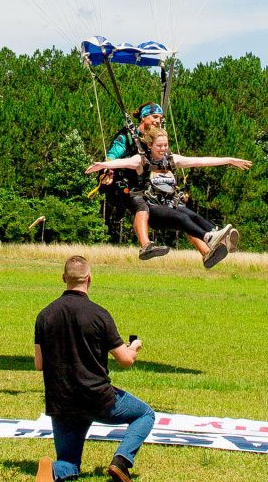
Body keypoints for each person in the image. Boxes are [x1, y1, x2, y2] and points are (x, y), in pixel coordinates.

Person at [34, 255, 155, 482]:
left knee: (69, 463)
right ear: (90, 278)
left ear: (63, 278)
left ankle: (52, 472)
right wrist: (134, 347)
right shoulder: (99, 314)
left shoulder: (44, 315)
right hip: (98, 398)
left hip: (61, 401)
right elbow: (125, 360)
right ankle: (121, 461)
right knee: (145, 414)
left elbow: (39, 364)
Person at [86, 128, 251, 269]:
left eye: (165, 145)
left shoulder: (171, 160)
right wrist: (102, 165)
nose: (163, 148)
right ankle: (208, 237)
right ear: (149, 145)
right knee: (181, 217)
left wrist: (229, 160)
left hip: (170, 205)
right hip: (153, 209)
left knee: (189, 213)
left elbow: (200, 161)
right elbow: (121, 162)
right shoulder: (141, 160)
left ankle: (217, 235)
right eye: (159, 145)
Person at [99, 102, 168, 260]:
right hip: (122, 185)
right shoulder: (127, 137)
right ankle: (146, 246)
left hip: (143, 185)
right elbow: (112, 155)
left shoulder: (155, 139)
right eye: (155, 117)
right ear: (144, 118)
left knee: (176, 209)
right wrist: (107, 169)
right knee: (140, 205)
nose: (158, 121)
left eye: (161, 118)